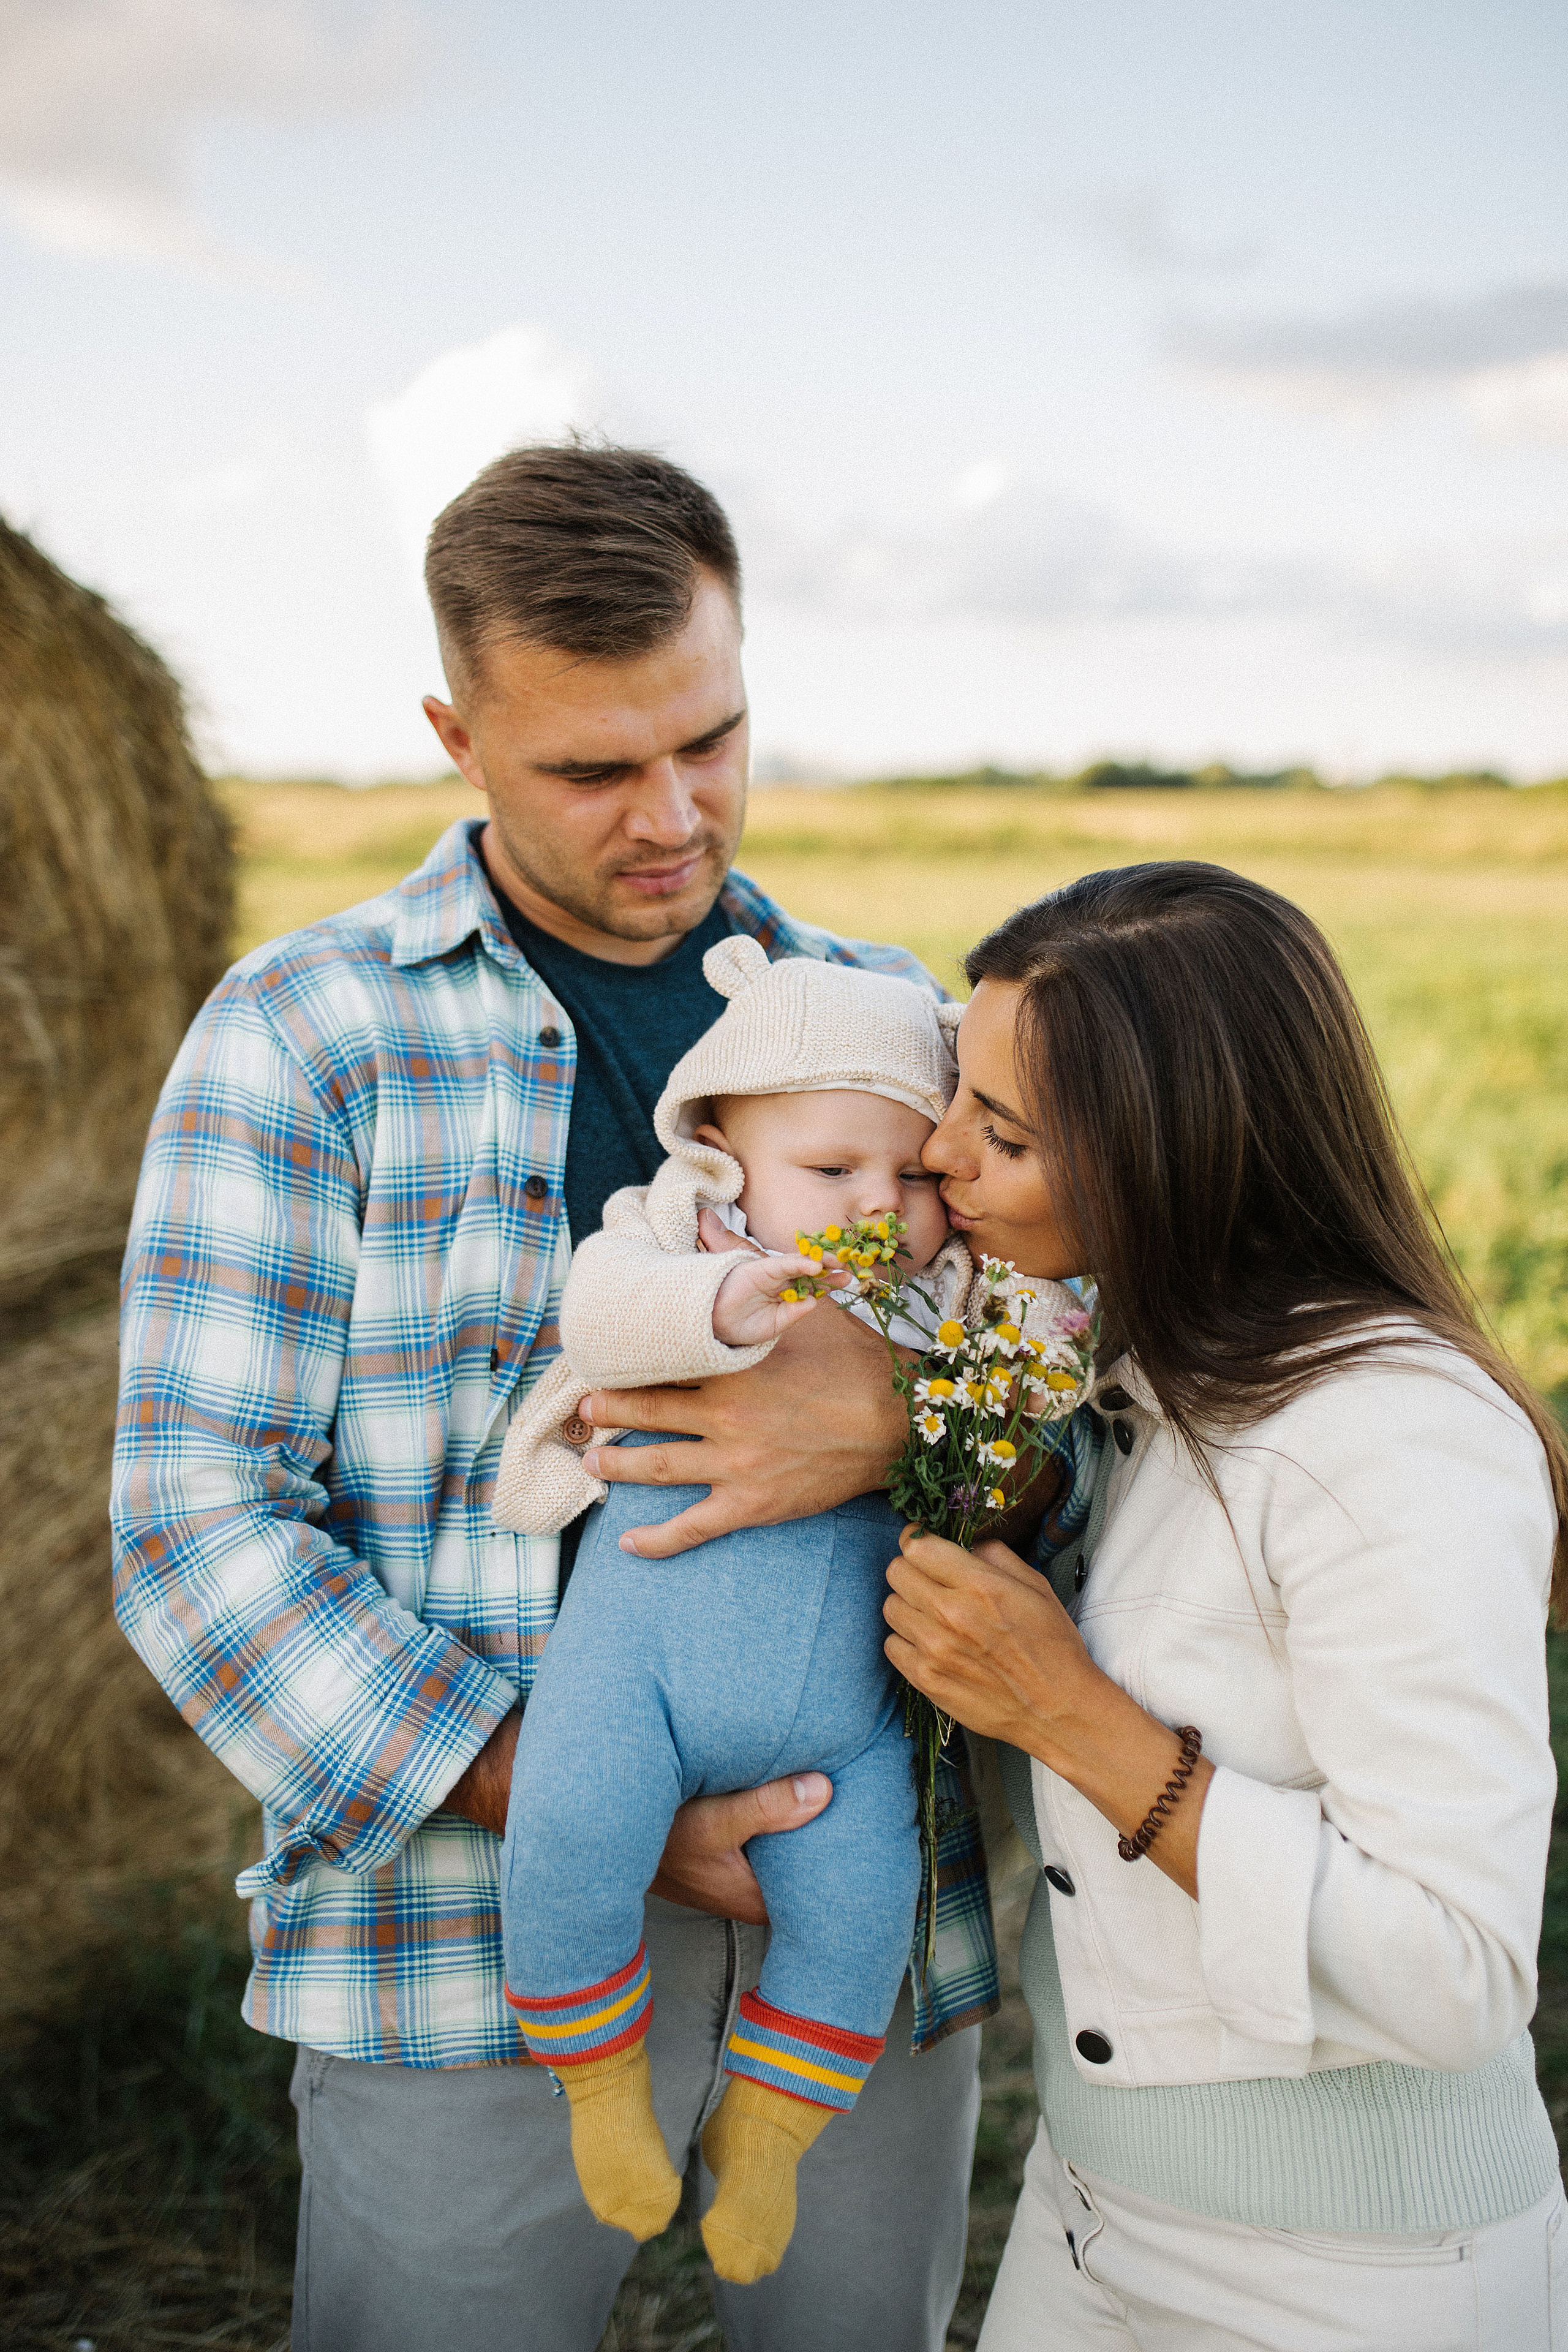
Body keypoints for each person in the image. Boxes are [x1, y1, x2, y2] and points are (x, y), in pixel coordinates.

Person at [110, 443, 985, 2352]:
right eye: (594, 768)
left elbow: (1089, 1416)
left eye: (713, 738)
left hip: (860, 1882)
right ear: (454, 728)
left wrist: (901, 1428)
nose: (672, 814)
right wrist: (573, 1795)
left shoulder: (893, 1024)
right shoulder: (303, 1036)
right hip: (456, 1930)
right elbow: (194, 1527)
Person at [885, 862, 1568, 2352]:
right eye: (957, 1097)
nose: (937, 1155)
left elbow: (1458, 1970)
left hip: (1356, 2277)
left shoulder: (1393, 1437)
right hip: (1086, 2215)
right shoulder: (1128, 1380)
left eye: (999, 1132)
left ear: (1170, 1155)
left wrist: (1067, 1716)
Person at [493, 935, 1060, 2284]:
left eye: (914, 1174)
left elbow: (1036, 1417)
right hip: (635, 1673)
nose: (882, 1203)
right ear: (721, 1157)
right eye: (831, 1173)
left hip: (848, 1724)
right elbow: (605, 1315)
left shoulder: (946, 1297)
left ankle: (769, 2133)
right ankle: (599, 2088)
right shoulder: (678, 1237)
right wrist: (727, 1305)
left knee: (864, 1915)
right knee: (569, 1833)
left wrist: (932, 1391)